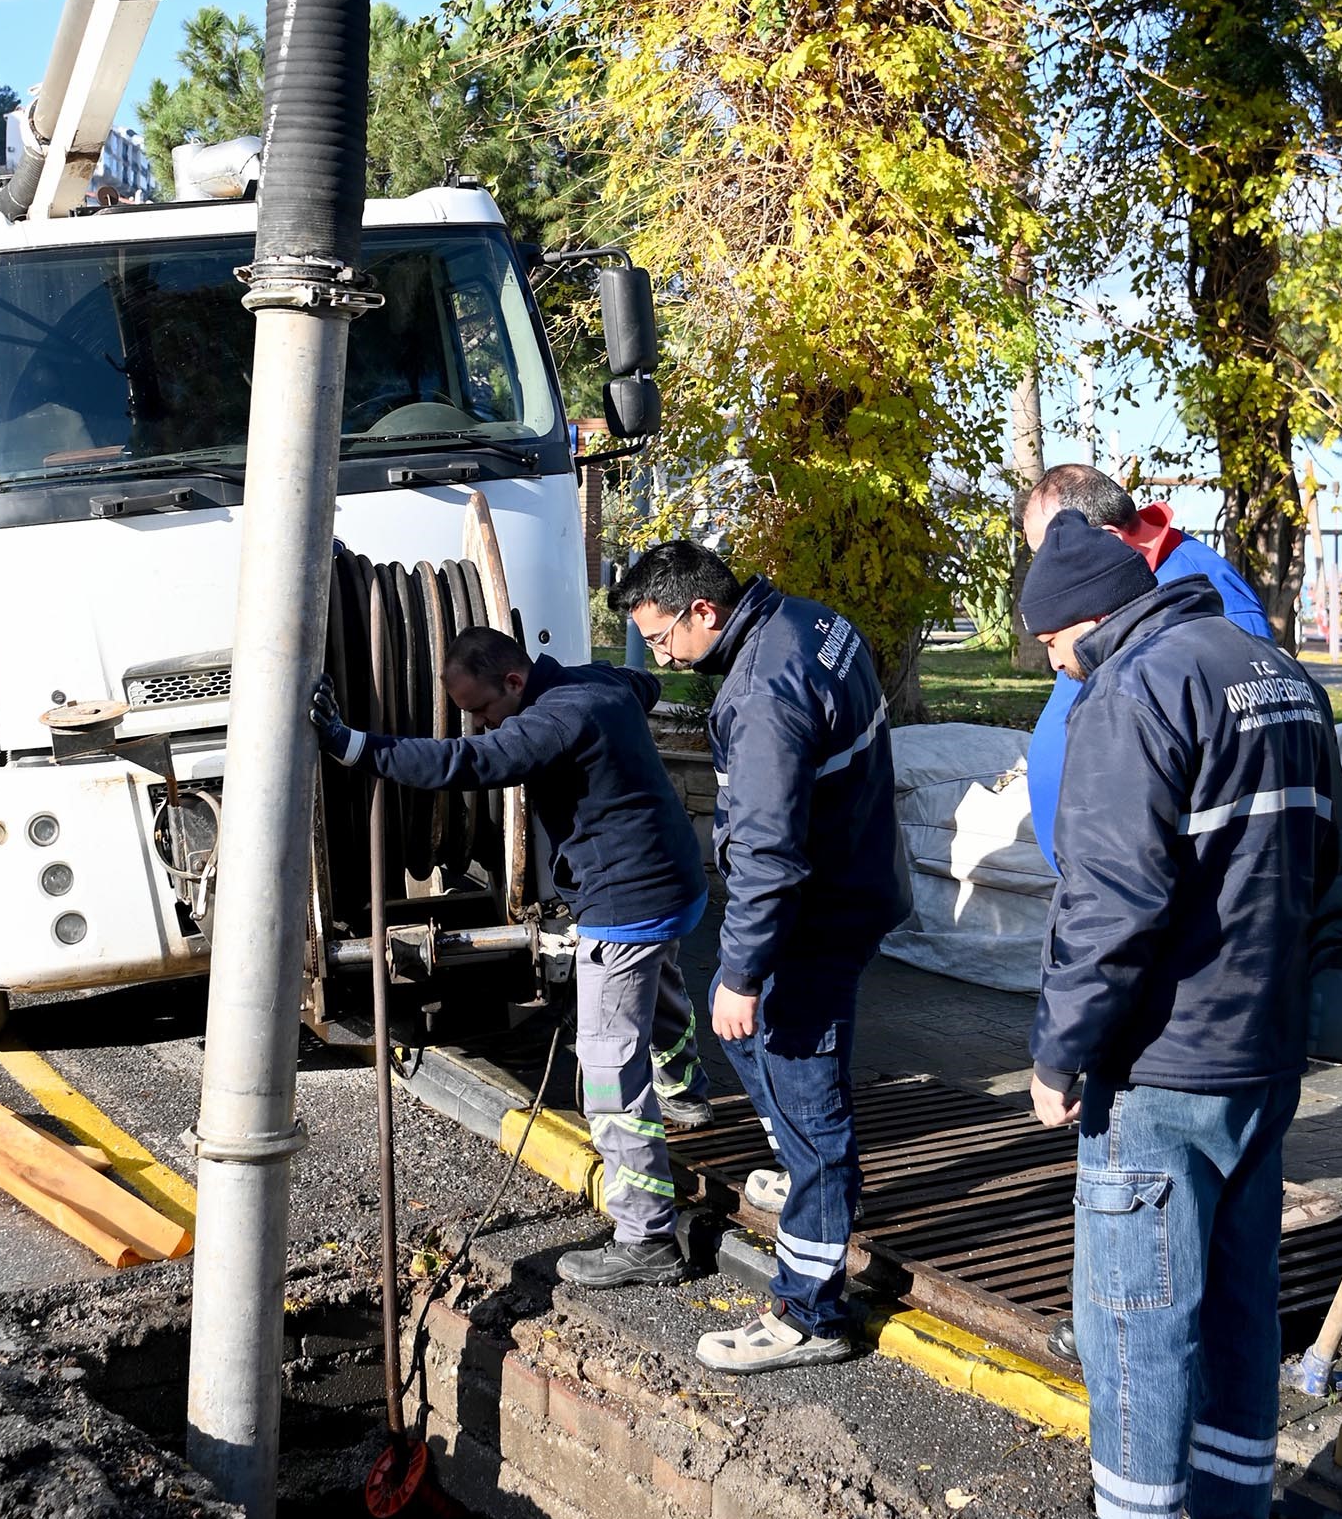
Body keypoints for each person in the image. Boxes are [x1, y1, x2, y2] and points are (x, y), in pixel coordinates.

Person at [988, 511, 1342, 1519]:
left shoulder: (1129, 693)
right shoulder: (1276, 675)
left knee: (1136, 1329)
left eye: (1050, 647)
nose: (1055, 668)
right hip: (1258, 1065)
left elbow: (1108, 904)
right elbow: (1340, 871)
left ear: (1079, 621)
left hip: (1156, 1070)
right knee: (1238, 1314)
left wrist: (1058, 1055)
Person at [311, 625, 712, 1290]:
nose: (477, 722)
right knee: (660, 984)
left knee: (610, 1070)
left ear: (516, 682)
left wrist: (351, 745)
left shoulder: (556, 717)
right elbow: (646, 684)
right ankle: (687, 1095)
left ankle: (646, 1237)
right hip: (676, 882)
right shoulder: (601, 682)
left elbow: (464, 767)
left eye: (483, 709)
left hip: (626, 902)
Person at [611, 540, 911, 1375]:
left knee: (800, 1081)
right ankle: (813, 1177)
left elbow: (772, 854)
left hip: (812, 914)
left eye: (663, 637)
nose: (663, 656)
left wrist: (743, 972)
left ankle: (808, 1312)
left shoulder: (763, 694)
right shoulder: (810, 623)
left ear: (703, 610)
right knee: (756, 1044)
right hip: (855, 879)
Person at [1021, 466, 1273, 877]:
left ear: (1109, 539)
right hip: (1098, 866)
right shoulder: (1097, 597)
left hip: (1161, 881)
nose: (1043, 572)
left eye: (1047, 554)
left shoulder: (1211, 591)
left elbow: (1250, 741)